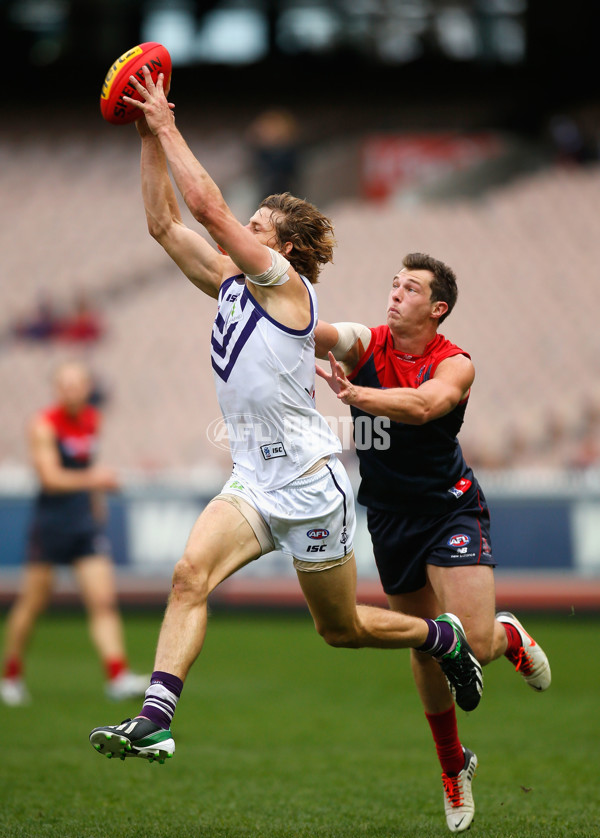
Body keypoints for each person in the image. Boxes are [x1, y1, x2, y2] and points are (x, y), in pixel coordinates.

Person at [88, 69, 483, 764]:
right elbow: (163, 223)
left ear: (284, 248)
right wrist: (148, 134)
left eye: (258, 227)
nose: (244, 230)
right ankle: (156, 716)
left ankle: (439, 637)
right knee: (189, 576)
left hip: (309, 479)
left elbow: (207, 209)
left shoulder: (286, 286)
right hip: (254, 477)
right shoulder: (230, 283)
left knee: (339, 630)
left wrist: (168, 121)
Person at [314, 252, 551, 833]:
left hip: (450, 510)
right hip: (391, 519)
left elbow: (425, 406)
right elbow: (318, 332)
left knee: (471, 641)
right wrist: (262, 296)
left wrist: (356, 399)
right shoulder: (365, 344)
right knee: (426, 646)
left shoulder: (455, 363)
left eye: (410, 288)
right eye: (394, 284)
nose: (395, 294)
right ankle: (453, 767)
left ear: (437, 308)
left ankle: (508, 635)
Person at [0, 360, 148, 706]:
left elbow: (85, 467)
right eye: (65, 384)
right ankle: (11, 675)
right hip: (51, 524)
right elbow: (50, 478)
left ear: (87, 387)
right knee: (33, 603)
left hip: (83, 525)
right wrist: (96, 480)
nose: (72, 389)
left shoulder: (92, 420)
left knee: (103, 601)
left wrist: (95, 505)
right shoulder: (44, 425)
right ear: (56, 389)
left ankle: (116, 676)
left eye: (77, 383)